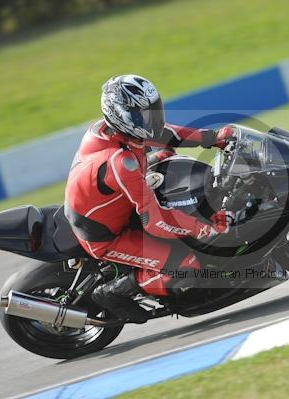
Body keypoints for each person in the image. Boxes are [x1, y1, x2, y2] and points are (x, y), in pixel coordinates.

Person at [64, 74, 235, 323]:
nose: (151, 120)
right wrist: (205, 229)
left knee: (167, 156)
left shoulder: (105, 130)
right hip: (107, 236)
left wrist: (212, 138)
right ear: (121, 114)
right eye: (143, 115)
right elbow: (154, 221)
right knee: (185, 265)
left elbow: (164, 134)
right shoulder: (121, 162)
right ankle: (112, 292)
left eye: (153, 111)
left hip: (111, 202)